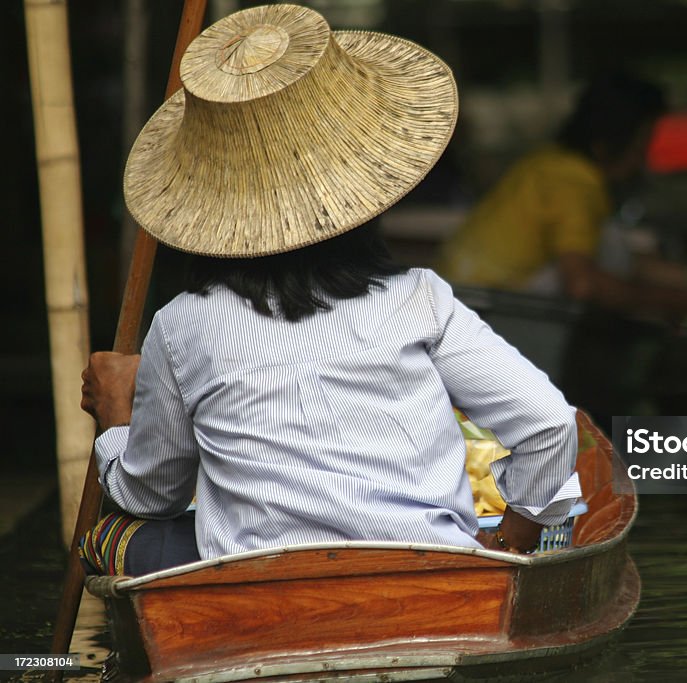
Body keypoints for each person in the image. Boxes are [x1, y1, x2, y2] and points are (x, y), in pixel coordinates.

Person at [78, 4, 578, 576]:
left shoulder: (181, 325)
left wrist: (119, 419)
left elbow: (151, 496)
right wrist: (514, 538)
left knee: (111, 535)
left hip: (260, 588)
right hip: (432, 575)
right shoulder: (419, 299)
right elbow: (549, 425)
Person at [436, 73, 687, 317]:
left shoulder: (548, 165)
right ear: (612, 141)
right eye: (643, 144)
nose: (644, 159)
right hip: (495, 315)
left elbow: (627, 263)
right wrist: (674, 304)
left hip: (466, 305)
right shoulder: (573, 182)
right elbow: (582, 283)